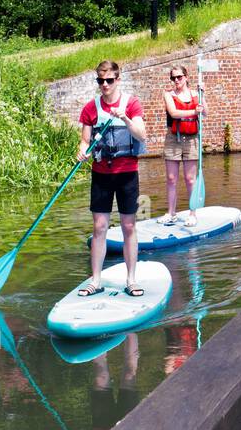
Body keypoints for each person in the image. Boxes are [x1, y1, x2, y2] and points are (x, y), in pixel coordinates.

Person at [76, 60, 148, 296]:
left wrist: (125, 118)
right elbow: (85, 140)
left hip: (127, 173)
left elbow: (142, 135)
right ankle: (95, 280)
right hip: (101, 175)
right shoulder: (90, 108)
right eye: (100, 81)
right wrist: (82, 151)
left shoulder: (132, 103)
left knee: (128, 226)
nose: (104, 85)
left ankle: (131, 279)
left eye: (108, 81)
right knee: (99, 227)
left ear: (118, 80)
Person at [160, 63, 203, 227]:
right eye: (173, 77)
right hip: (173, 138)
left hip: (191, 140)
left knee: (190, 179)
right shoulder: (168, 95)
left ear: (186, 77)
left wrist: (202, 94)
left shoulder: (196, 94)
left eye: (179, 77)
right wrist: (194, 112)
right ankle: (171, 213)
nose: (176, 80)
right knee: (171, 178)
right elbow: (174, 113)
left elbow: (205, 111)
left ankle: (193, 213)